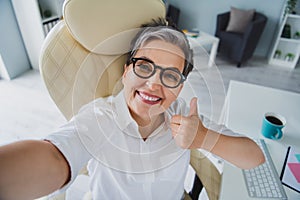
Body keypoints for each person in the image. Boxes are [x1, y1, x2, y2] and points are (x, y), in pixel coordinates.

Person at [0, 18, 265, 200]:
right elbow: (56, 158)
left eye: (171, 76)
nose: (153, 84)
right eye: (144, 66)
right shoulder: (99, 118)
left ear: (180, 88)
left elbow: (255, 158)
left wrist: (202, 137)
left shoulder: (184, 116)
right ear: (127, 72)